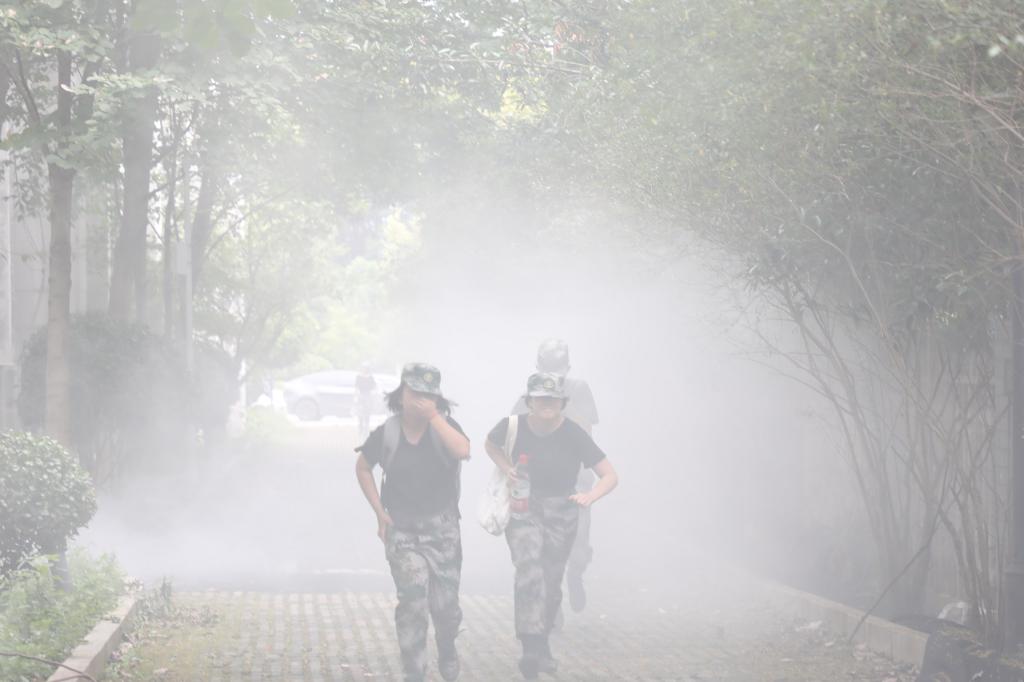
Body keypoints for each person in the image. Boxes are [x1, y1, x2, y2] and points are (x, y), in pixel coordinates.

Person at [488, 372, 618, 679]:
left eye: (553, 399)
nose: (547, 404)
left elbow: (610, 475)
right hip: (524, 507)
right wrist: (507, 468)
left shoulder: (574, 433)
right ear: (529, 401)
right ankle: (530, 648)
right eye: (541, 399)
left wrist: (590, 496)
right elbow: (490, 445)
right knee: (528, 571)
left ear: (562, 403)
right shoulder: (512, 425)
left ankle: (542, 641)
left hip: (562, 511)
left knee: (550, 581)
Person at [354, 363, 470, 682]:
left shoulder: (445, 426)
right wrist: (379, 512)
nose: (420, 400)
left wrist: (434, 417)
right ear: (401, 394)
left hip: (442, 530)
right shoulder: (388, 432)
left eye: (427, 395)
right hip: (402, 531)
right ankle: (414, 671)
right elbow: (363, 468)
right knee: (413, 603)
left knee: (445, 607)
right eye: (414, 392)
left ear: (437, 398)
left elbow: (463, 450)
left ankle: (447, 648)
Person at [510, 339, 599, 613]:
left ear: (567, 367)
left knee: (578, 548)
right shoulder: (529, 395)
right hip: (539, 489)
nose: (552, 373)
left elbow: (586, 431)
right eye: (547, 367)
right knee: (544, 554)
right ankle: (552, 612)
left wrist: (558, 407)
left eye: (557, 368)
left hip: (576, 484)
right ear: (538, 366)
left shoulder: (578, 390)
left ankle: (576, 575)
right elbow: (513, 435)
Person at [355, 363, 379, 439]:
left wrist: (374, 392)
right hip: (361, 395)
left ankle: (366, 427)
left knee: (368, 411)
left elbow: (374, 386)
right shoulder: (359, 377)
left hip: (368, 395)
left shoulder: (370, 377)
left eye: (366, 369)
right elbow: (356, 386)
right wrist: (356, 394)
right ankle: (360, 426)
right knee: (360, 411)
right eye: (363, 368)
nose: (364, 370)